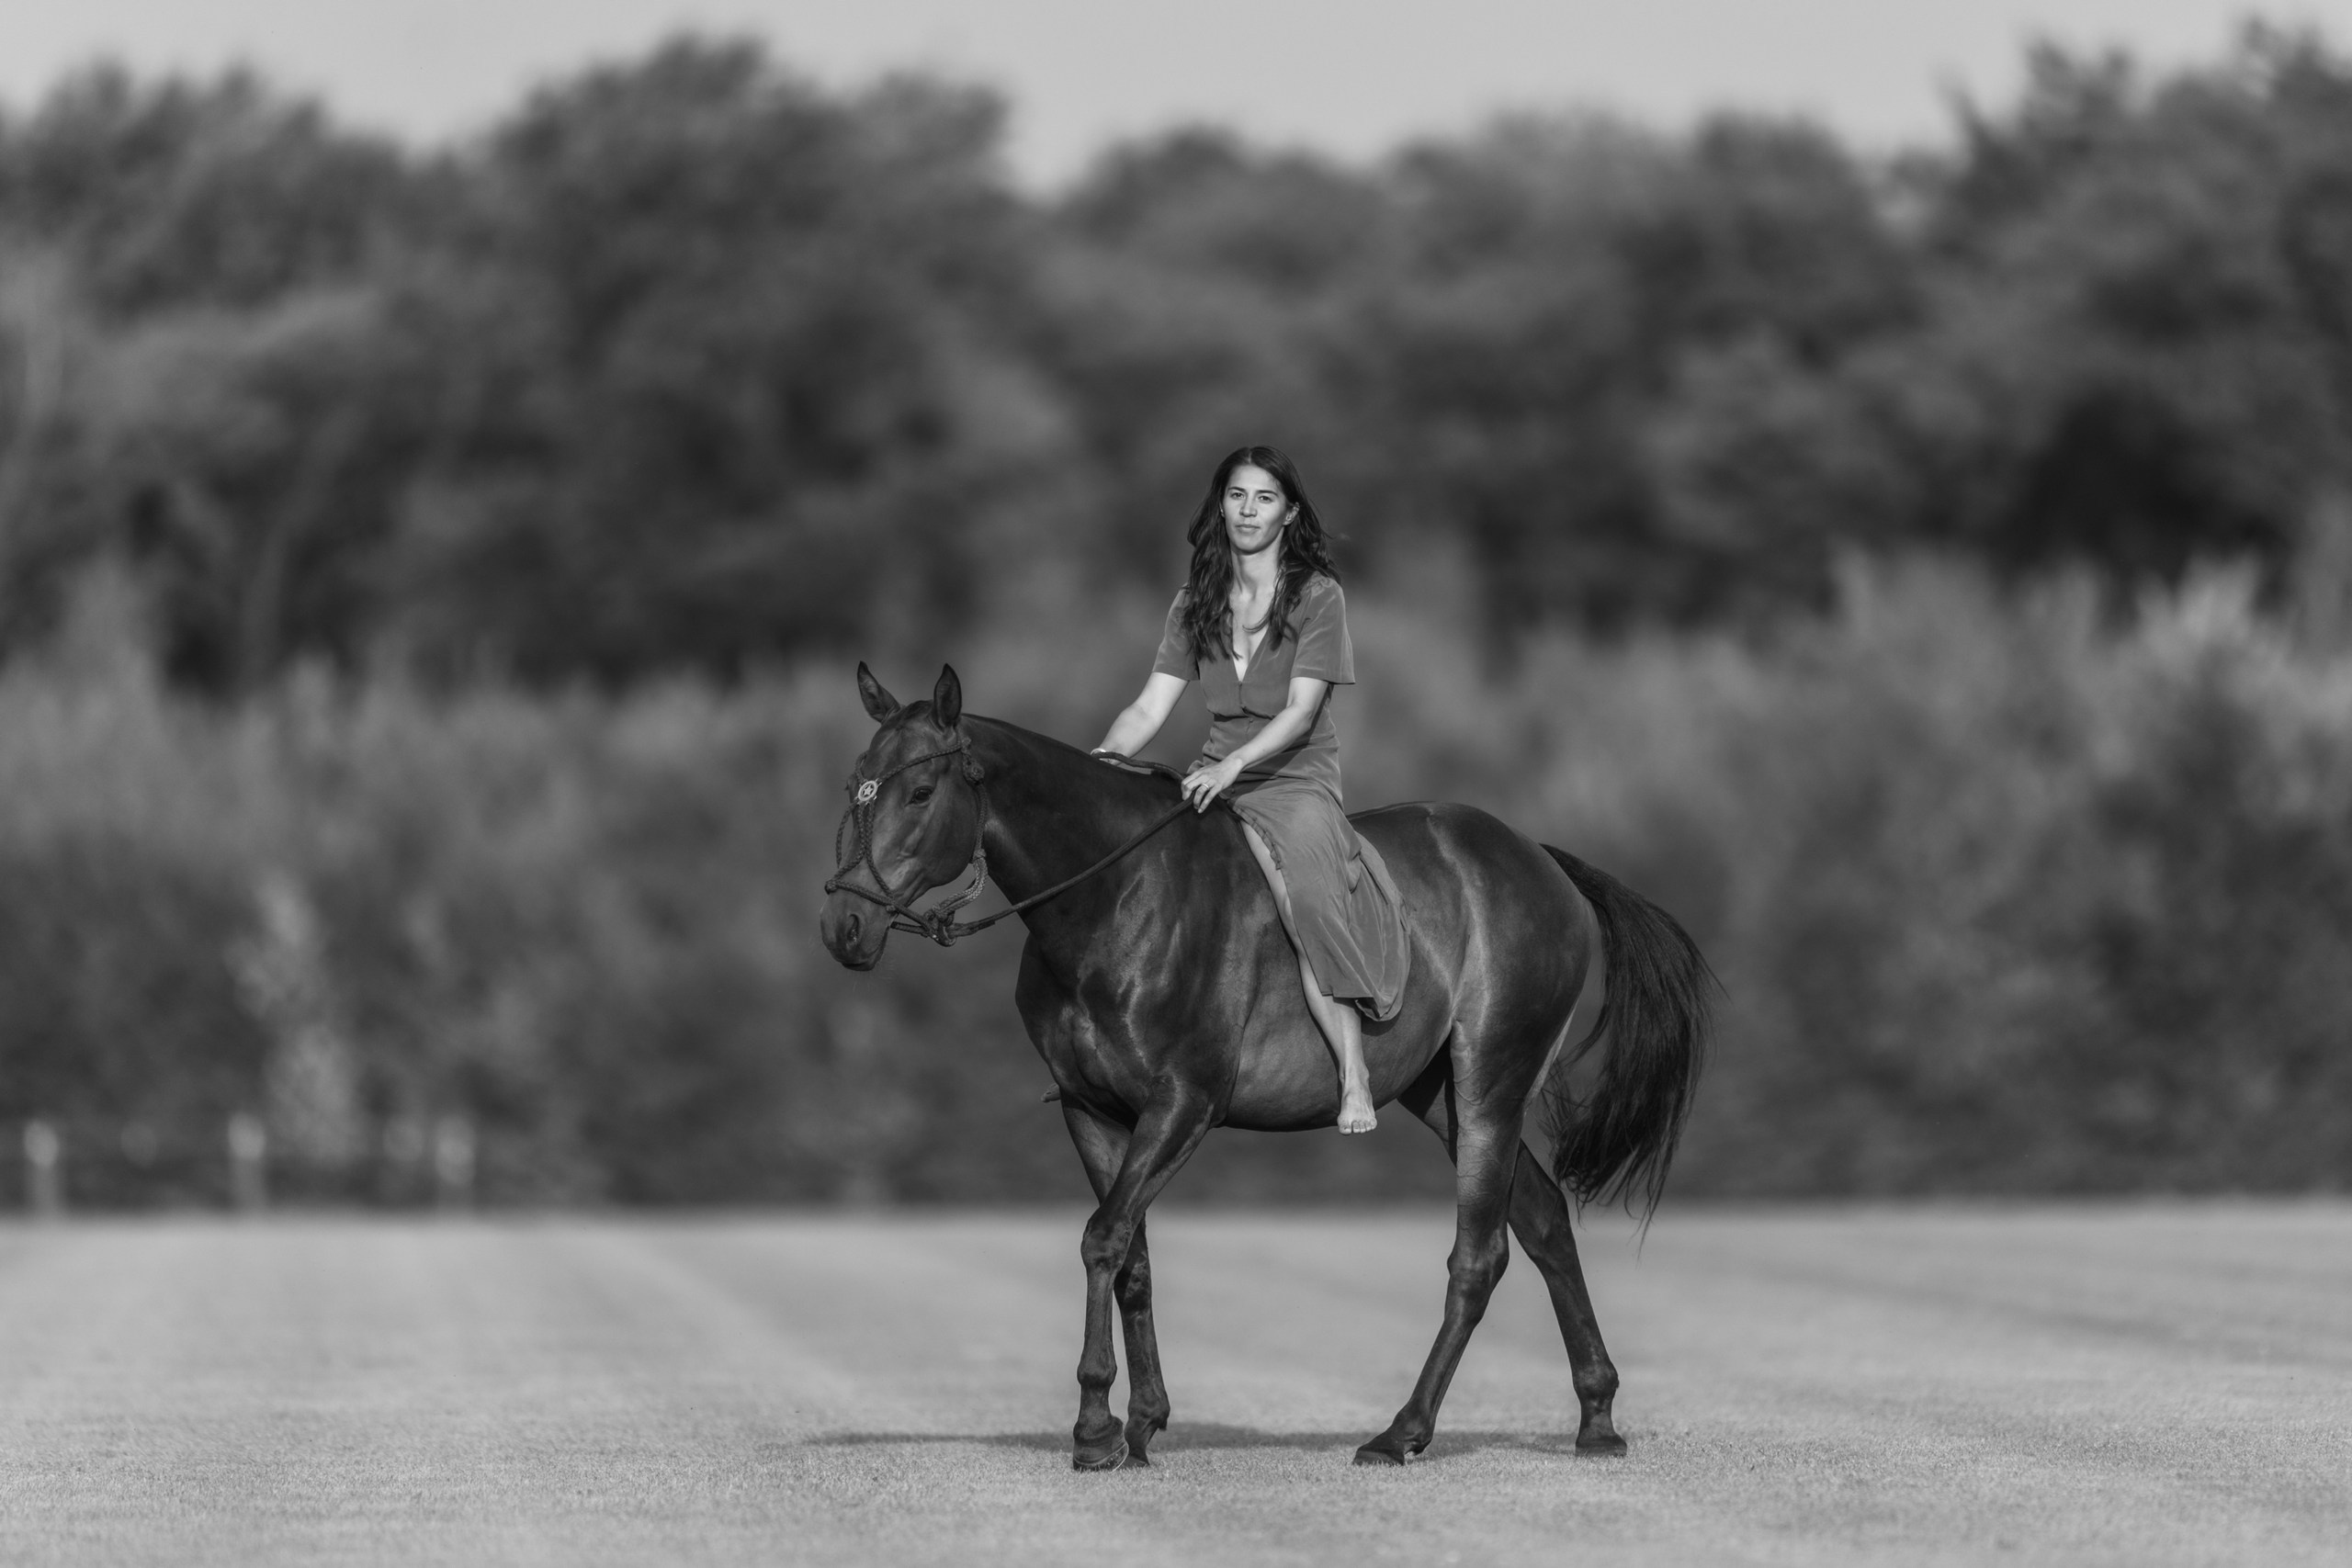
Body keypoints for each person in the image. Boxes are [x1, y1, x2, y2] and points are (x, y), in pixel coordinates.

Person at [1093, 445, 1409, 1133]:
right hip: (1213, 771)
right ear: (1220, 506)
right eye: (1236, 496)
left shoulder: (1319, 596)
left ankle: (1353, 1070)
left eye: (1264, 498)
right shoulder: (1193, 603)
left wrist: (1235, 768)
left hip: (1292, 778)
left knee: (1307, 897)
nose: (1247, 510)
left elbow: (1300, 712)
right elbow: (1149, 708)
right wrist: (1105, 759)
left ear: (1289, 513)